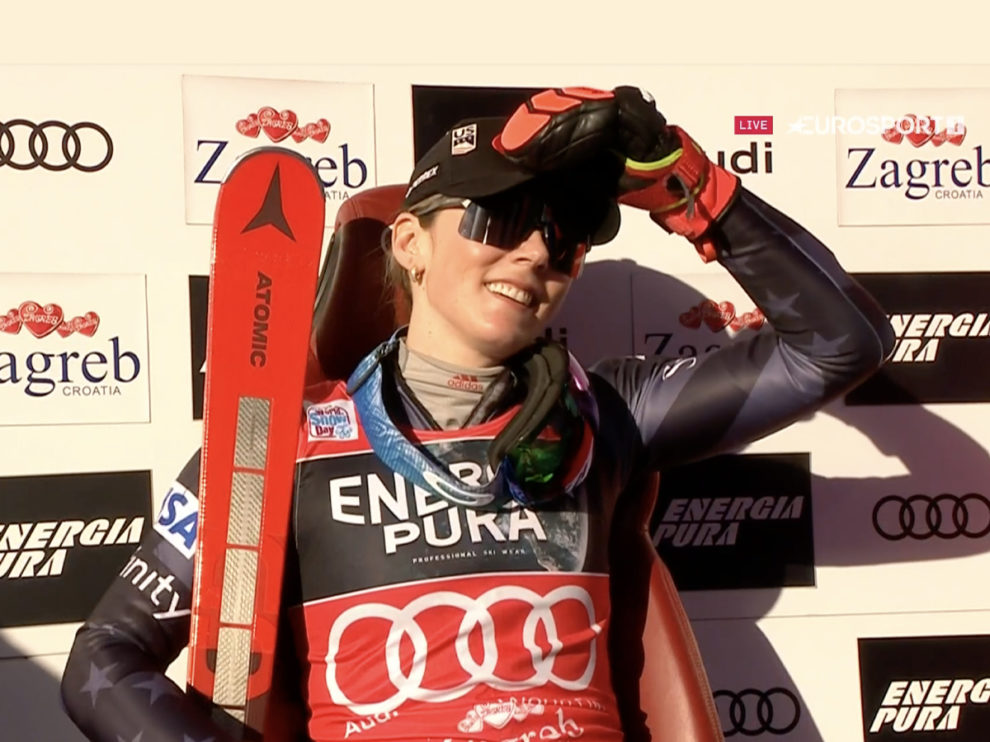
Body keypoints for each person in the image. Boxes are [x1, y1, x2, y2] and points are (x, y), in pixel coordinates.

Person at [61, 85, 894, 742]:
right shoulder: (279, 440)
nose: (534, 253)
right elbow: (106, 658)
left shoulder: (607, 413)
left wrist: (689, 189)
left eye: (562, 239)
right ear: (409, 244)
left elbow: (841, 342)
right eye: (499, 219)